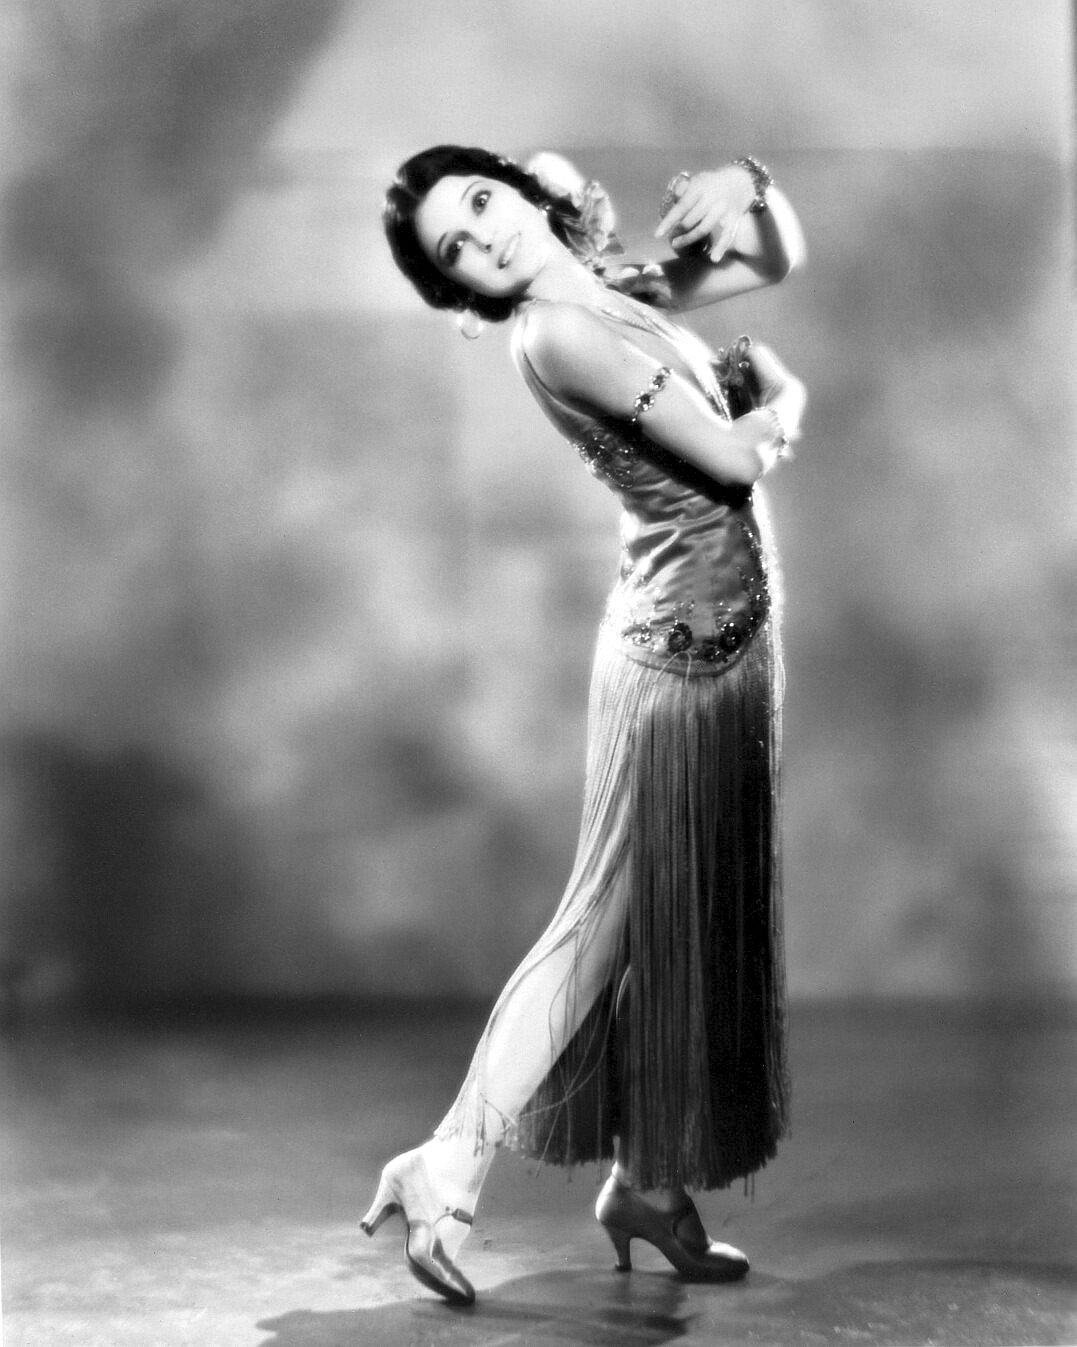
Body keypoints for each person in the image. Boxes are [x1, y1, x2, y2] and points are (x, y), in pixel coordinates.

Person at [362, 144, 807, 1305]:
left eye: (481, 202)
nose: (485, 236)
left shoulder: (607, 286)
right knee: (600, 930)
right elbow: (733, 463)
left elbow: (769, 259)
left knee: (683, 929)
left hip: (724, 638)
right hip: (679, 661)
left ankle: (648, 1185)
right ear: (460, 289)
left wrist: (748, 181)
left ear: (518, 185)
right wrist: (788, 402)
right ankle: (447, 1163)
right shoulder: (557, 334)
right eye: (456, 249)